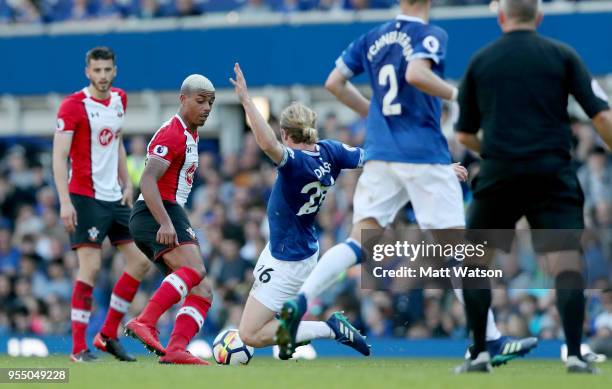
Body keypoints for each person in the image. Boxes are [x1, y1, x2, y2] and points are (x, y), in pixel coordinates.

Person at [277, 0, 537, 364]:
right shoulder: (430, 33)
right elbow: (416, 74)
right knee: (459, 249)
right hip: (422, 153)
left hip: (382, 153)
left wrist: (377, 114)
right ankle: (488, 340)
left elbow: (334, 83)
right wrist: (457, 94)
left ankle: (301, 300)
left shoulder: (372, 36)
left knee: (358, 239)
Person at [454, 0, 612, 373]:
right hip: (552, 174)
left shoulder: (480, 61)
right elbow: (601, 114)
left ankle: (479, 354)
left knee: (476, 264)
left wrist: (494, 150)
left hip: (500, 174)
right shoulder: (562, 55)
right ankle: (574, 354)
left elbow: (464, 132)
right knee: (566, 264)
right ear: (538, 17)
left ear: (501, 16)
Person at [230, 63, 370, 360]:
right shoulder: (330, 151)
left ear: (285, 134)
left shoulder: (294, 163)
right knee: (273, 320)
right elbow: (373, 159)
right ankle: (288, 336)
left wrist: (245, 100)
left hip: (288, 257)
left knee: (250, 334)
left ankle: (329, 329)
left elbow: (266, 143)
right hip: (298, 247)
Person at [52, 46, 151, 363]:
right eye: (97, 71)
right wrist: (65, 201)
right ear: (87, 72)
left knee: (139, 263)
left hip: (115, 196)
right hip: (84, 197)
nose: (103, 76)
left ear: (115, 70)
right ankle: (79, 348)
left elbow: (117, 142)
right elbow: (58, 156)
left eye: (107, 70)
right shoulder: (72, 106)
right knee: (91, 268)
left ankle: (107, 335)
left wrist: (126, 182)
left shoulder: (120, 99)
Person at [124, 74, 216, 365]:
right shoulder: (172, 133)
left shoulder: (190, 133)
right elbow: (148, 180)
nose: (207, 108)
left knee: (203, 289)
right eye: (200, 101)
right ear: (183, 99)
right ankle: (145, 321)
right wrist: (164, 222)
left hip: (166, 210)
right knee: (196, 269)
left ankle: (176, 348)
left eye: (211, 103)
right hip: (157, 211)